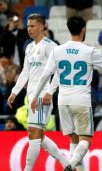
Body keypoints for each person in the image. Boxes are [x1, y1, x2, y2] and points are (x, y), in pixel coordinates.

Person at [30, 16, 102, 171]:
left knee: (73, 139)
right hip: (81, 100)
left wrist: (36, 96)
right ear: (83, 30)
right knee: (85, 140)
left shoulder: (57, 50)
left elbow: (46, 75)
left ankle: (77, 168)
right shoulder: (89, 51)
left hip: (63, 101)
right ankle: (71, 165)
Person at [7, 13, 69, 171]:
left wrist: (49, 92)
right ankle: (66, 164)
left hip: (42, 95)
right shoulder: (29, 47)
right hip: (31, 95)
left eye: (33, 26)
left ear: (42, 27)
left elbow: (59, 72)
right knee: (39, 136)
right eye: (28, 26)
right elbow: (25, 72)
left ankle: (28, 169)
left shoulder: (51, 46)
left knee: (33, 132)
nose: (29, 29)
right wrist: (14, 92)